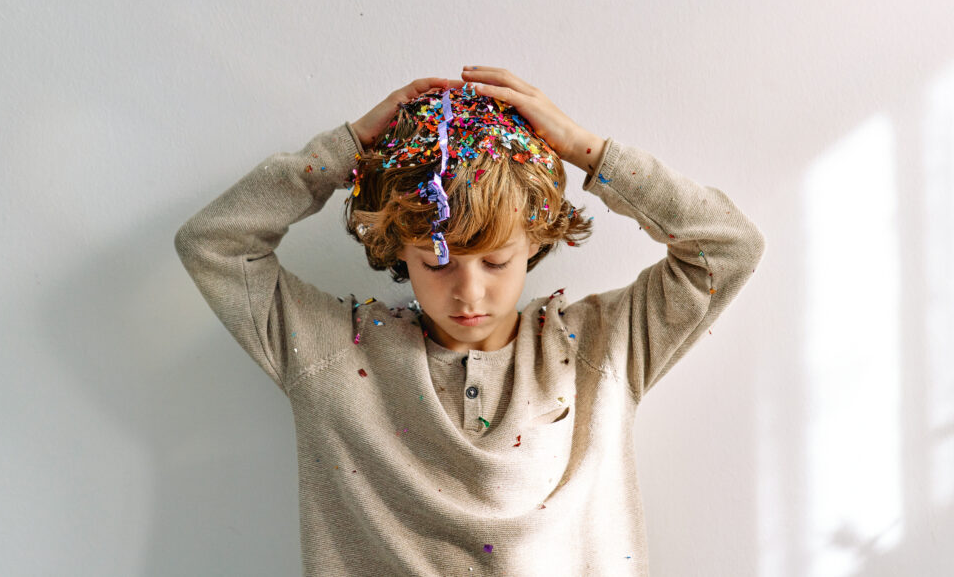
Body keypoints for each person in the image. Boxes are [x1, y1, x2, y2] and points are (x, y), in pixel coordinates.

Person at [174, 66, 766, 575]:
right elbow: (215, 245)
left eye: (497, 260)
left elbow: (727, 246)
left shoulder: (602, 348)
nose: (469, 291)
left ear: (535, 240)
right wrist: (347, 148)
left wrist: (588, 152)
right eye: (437, 263)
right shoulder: (332, 351)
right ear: (397, 249)